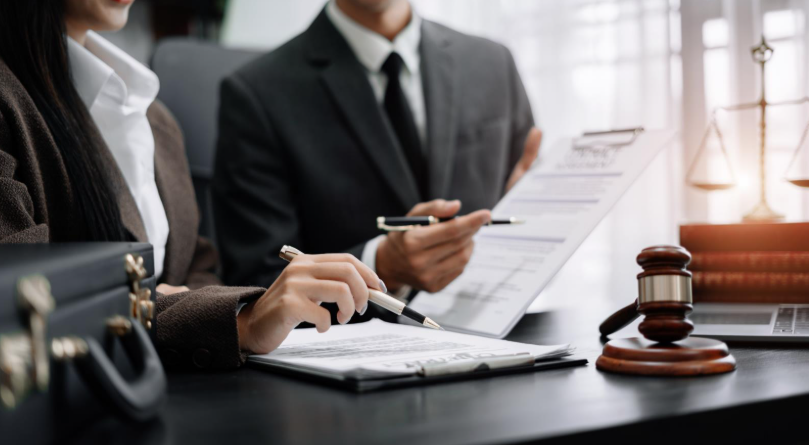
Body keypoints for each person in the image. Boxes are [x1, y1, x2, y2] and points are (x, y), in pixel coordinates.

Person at [0, 0, 383, 370]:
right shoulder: (11, 101)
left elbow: (197, 270)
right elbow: (24, 301)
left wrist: (175, 306)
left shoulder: (151, 115)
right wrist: (237, 320)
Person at [213, 0, 542, 306]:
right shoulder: (257, 94)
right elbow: (256, 285)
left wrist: (537, 217)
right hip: (343, 349)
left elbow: (528, 207)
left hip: (493, 333)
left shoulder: (493, 63)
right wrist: (380, 266)